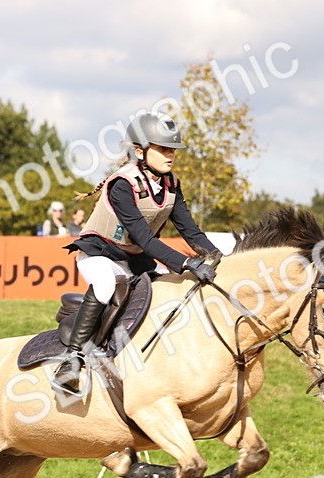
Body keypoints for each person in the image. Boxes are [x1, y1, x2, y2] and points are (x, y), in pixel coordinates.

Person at [53, 112, 221, 394]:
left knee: (171, 289)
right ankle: (72, 361)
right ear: (140, 150)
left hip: (133, 256)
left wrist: (219, 258)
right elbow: (144, 237)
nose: (171, 155)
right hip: (100, 251)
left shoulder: (171, 185)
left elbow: (190, 231)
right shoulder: (123, 184)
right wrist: (188, 262)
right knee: (106, 284)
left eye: (173, 150)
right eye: (164, 149)